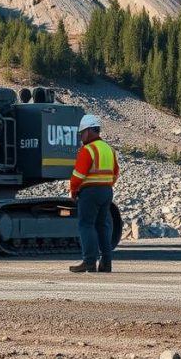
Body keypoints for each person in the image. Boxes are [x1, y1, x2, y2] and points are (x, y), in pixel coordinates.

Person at [68, 113, 119, 273]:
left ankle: (89, 261)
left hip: (90, 192)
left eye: (82, 133)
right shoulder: (109, 149)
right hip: (106, 191)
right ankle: (106, 263)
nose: (81, 137)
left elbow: (78, 175)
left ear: (89, 131)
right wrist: (106, 185)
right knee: (102, 226)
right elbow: (115, 172)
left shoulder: (87, 150)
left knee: (86, 225)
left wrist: (73, 191)